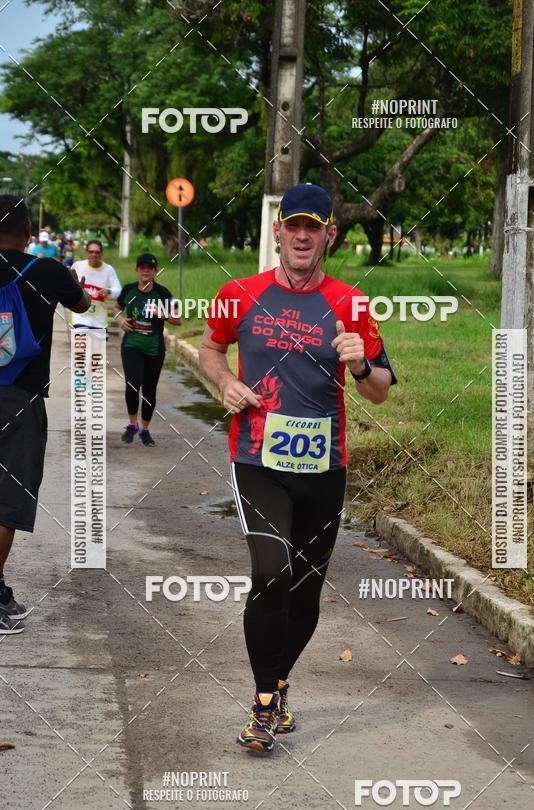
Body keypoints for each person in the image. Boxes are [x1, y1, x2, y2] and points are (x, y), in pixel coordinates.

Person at [199, 183, 397, 752]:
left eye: (315, 227)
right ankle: (264, 705)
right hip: (257, 457)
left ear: (330, 235)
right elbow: (212, 349)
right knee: (271, 572)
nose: (303, 237)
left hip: (324, 464)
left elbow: (382, 391)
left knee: (306, 590)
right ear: (278, 233)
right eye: (294, 226)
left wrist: (361, 366)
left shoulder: (353, 305)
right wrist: (225, 382)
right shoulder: (238, 294)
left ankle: (279, 686)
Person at [0, 195, 90, 634]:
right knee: (9, 501)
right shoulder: (48, 271)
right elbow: (84, 306)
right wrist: (68, 281)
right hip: (21, 400)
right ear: (30, 234)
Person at [114, 253, 181, 446]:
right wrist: (120, 320)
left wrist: (163, 314)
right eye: (142, 267)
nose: (145, 270)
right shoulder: (128, 289)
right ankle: (132, 424)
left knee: (150, 389)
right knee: (133, 383)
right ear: (137, 270)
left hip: (154, 347)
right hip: (131, 345)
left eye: (149, 268)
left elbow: (178, 319)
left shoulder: (163, 293)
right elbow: (117, 307)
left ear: (155, 271)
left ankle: (144, 429)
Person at [70, 240, 121, 336]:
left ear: (102, 254)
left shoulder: (108, 270)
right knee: (81, 351)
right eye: (91, 252)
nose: (94, 255)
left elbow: (118, 291)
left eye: (97, 252)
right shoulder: (77, 266)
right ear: (86, 253)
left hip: (99, 323)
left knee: (96, 352)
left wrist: (108, 291)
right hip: (80, 320)